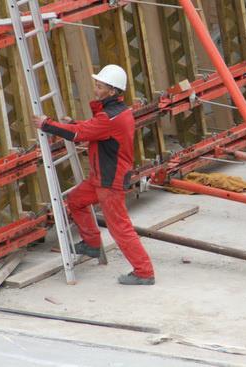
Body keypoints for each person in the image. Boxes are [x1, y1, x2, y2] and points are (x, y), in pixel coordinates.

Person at [33, 64, 155, 286]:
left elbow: (80, 134)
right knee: (76, 201)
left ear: (112, 91)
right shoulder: (115, 113)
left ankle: (144, 272)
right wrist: (73, 124)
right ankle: (91, 244)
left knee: (120, 228)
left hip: (110, 181)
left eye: (99, 86)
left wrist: (47, 124)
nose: (95, 89)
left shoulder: (109, 117)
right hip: (101, 176)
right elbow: (91, 128)